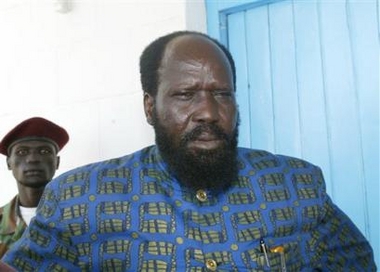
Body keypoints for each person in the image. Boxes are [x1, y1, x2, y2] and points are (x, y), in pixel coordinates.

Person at [2, 31, 376, 271]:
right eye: (185, 95)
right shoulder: (79, 200)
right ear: (150, 107)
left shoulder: (296, 185)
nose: (209, 113)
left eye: (221, 94)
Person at [0, 117, 69, 259]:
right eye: (21, 152)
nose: (32, 159)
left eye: (44, 151)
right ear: (8, 163)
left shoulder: (80, 217)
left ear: (57, 162)